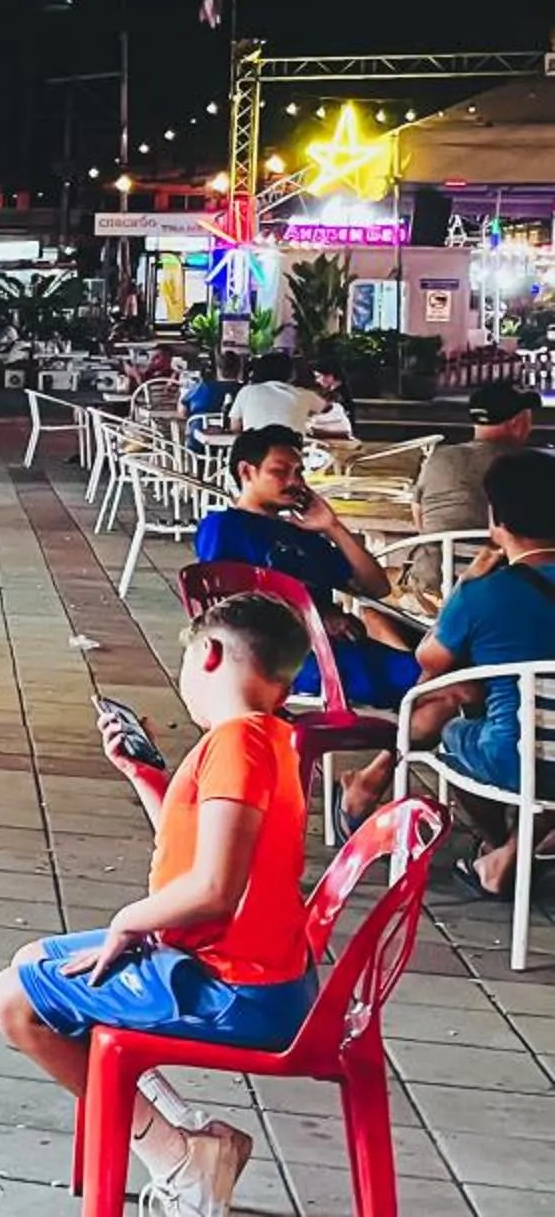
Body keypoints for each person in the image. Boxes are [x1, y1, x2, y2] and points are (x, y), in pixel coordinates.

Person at [0, 591, 317, 1217]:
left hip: (234, 989)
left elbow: (214, 888)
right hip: (260, 975)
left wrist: (129, 921)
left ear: (210, 654)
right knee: (34, 962)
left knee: (15, 1002)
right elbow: (199, 849)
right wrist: (145, 777)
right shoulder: (269, 739)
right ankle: (189, 1135)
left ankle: (175, 1156)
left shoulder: (237, 746)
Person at [342, 449, 555, 897]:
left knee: (453, 726)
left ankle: (499, 850)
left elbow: (430, 659)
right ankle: (514, 851)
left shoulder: (485, 593)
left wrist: (464, 585)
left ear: (497, 520)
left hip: (516, 757)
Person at [194, 425, 419, 706]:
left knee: (441, 681)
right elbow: (225, 607)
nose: (294, 481)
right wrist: (312, 618)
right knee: (436, 684)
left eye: (299, 472)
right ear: (246, 472)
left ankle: (408, 734)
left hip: (338, 652)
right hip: (283, 658)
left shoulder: (301, 534)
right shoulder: (225, 526)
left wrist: (333, 527)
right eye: (279, 471)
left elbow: (376, 587)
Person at [415, 379, 539, 548]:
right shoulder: (534, 466)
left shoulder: (438, 459)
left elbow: (419, 518)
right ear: (517, 424)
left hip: (436, 563)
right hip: (505, 564)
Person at [225, 352, 330, 434]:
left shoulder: (246, 392)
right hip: (292, 450)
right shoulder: (304, 394)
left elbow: (235, 427)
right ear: (291, 374)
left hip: (255, 450)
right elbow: (328, 410)